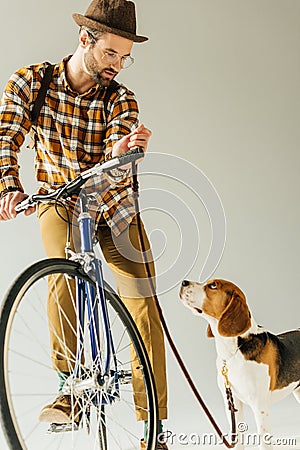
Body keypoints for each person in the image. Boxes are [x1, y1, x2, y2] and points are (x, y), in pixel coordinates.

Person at [0, 0, 168, 448]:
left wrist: (122, 152)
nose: (117, 64)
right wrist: (8, 186)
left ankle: (154, 427)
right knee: (59, 273)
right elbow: (7, 136)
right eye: (110, 53)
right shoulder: (31, 82)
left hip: (114, 205)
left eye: (125, 56)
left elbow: (119, 145)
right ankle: (71, 389)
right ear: (84, 40)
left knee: (142, 309)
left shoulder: (121, 98)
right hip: (59, 198)